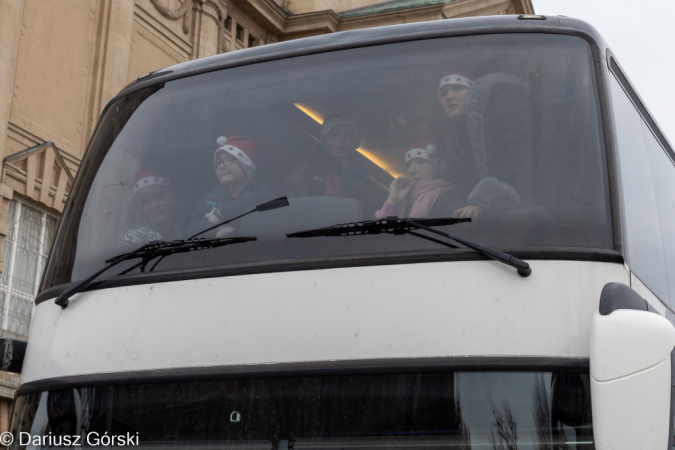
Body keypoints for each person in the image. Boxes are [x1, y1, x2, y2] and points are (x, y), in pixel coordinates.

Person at [432, 71, 534, 219]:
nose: (449, 96)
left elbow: (521, 158)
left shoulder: (502, 107)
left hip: (524, 217)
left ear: (475, 92)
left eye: (457, 88)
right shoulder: (455, 136)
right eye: (443, 94)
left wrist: (487, 202)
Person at [185, 136, 276, 238]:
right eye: (218, 162)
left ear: (245, 163)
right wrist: (216, 229)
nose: (221, 166)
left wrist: (221, 213)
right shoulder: (209, 198)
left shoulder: (264, 191)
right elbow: (190, 232)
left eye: (229, 160)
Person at [284, 115, 369, 200]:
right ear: (324, 139)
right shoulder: (307, 171)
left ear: (356, 142)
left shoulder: (359, 175)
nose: (341, 140)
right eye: (334, 135)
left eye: (348, 136)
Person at [375, 140, 454, 219]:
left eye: (420, 162)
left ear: (439, 169)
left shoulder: (449, 197)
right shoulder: (404, 200)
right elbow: (380, 230)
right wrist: (392, 201)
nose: (411, 170)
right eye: (408, 165)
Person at [122, 170, 183, 244]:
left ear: (172, 197)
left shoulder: (184, 231)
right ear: (139, 209)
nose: (154, 205)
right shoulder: (135, 237)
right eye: (144, 202)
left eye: (159, 196)